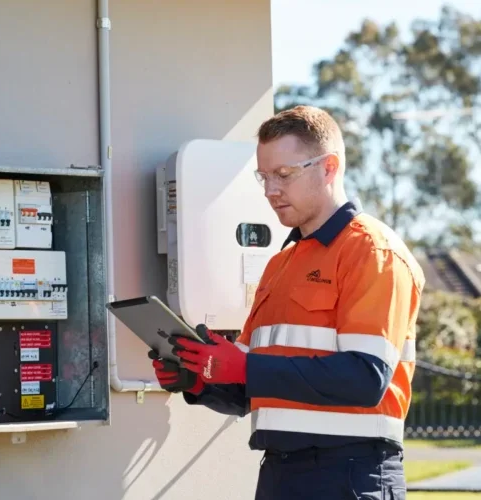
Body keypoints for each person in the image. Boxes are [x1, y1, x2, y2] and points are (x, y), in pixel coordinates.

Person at [148, 105, 425, 500]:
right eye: (264, 176)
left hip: (351, 476)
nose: (270, 190)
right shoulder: (281, 263)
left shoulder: (374, 253)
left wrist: (244, 366)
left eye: (283, 174)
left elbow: (366, 379)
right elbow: (252, 385)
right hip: (280, 474)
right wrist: (198, 379)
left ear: (329, 168)